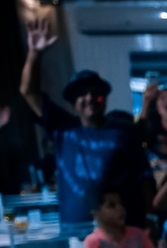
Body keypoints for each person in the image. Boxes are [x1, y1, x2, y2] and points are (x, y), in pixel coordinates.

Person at [19, 18, 153, 231]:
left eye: (96, 93)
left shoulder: (123, 132)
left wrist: (149, 222)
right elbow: (28, 92)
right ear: (73, 103)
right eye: (82, 94)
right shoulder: (64, 129)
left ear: (105, 99)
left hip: (122, 231)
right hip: (77, 231)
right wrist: (34, 54)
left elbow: (143, 178)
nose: (89, 97)